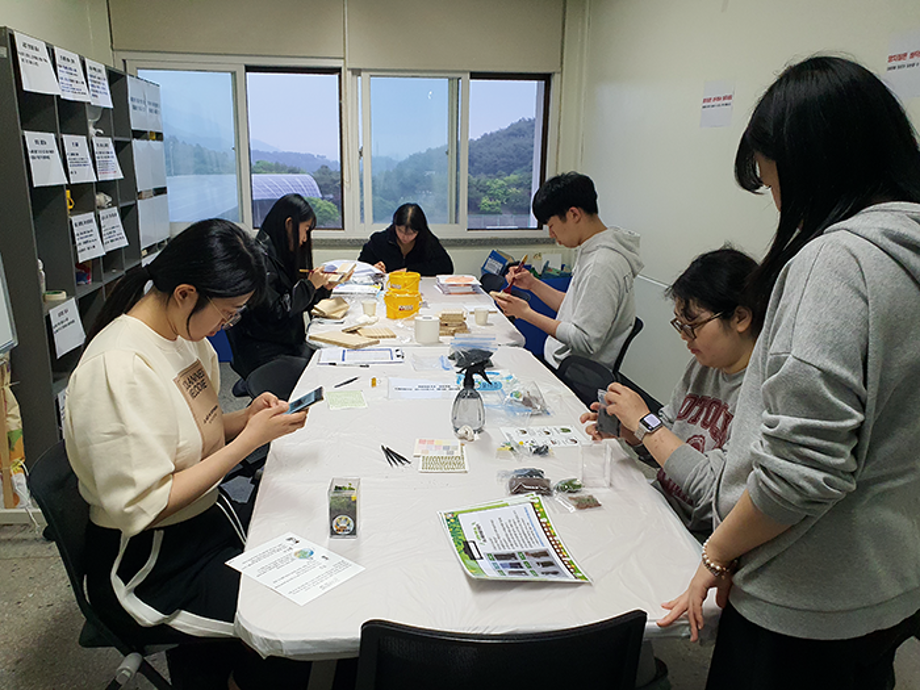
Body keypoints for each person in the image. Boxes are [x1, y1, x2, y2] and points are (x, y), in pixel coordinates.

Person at [656, 56, 920, 690]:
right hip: (890, 578)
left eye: (772, 180)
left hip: (805, 596)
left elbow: (801, 470)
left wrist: (718, 552)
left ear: (811, 166)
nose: (777, 200)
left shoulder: (836, 261)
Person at [65, 219, 310, 688]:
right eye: (228, 313)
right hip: (150, 562)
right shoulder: (120, 367)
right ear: (184, 294)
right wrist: (249, 440)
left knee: (310, 549)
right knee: (288, 616)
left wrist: (248, 419)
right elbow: (147, 504)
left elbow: (197, 430)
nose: (227, 325)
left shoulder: (185, 339)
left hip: (205, 524)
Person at [582, 247, 758, 537]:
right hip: (659, 508)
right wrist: (630, 432)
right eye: (680, 325)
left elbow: (713, 490)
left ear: (740, 317)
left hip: (696, 537)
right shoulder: (703, 365)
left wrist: (644, 423)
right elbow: (666, 444)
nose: (684, 337)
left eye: (693, 325)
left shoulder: (763, 392)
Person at [492, 172, 643, 369]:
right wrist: (533, 284)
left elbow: (585, 340)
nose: (551, 235)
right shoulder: (592, 250)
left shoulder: (601, 265)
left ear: (573, 214)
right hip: (564, 363)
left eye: (552, 226)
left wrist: (526, 314)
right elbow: (575, 308)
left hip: (574, 373)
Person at [227, 193, 337, 379]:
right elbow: (275, 312)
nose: (305, 238)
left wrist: (321, 288)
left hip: (285, 343)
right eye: (305, 229)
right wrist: (310, 286)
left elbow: (298, 302)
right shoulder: (259, 259)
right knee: (324, 369)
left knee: (327, 357)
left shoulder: (281, 253)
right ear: (289, 224)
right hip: (266, 350)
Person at [357, 202, 454, 275]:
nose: (404, 236)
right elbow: (359, 268)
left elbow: (447, 267)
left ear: (419, 231)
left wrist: (410, 270)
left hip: (418, 289)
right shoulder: (379, 241)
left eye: (411, 233)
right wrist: (373, 269)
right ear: (394, 225)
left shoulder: (427, 241)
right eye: (400, 230)